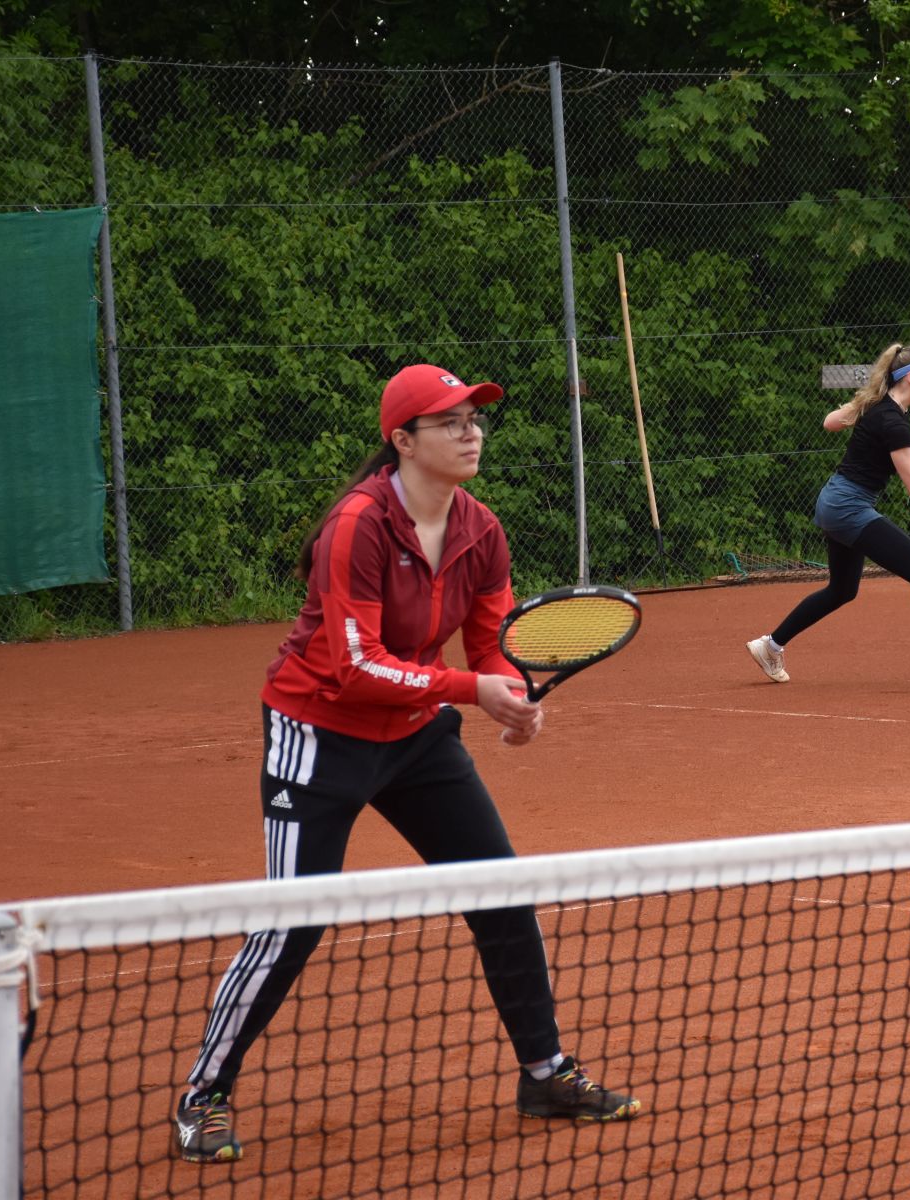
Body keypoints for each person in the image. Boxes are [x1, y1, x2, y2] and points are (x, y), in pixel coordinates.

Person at [172, 363, 641, 1165]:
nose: (471, 433)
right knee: (294, 920)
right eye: (451, 422)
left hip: (418, 736)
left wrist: (510, 698)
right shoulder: (356, 526)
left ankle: (545, 1074)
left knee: (501, 894)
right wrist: (471, 689)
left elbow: (491, 644)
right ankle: (203, 1096)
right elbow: (356, 666)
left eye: (475, 419)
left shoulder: (480, 529)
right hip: (319, 734)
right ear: (403, 440)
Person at [745, 343, 910, 693]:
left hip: (832, 501)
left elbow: (829, 422)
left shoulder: (877, 407)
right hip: (848, 508)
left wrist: (862, 403)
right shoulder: (893, 423)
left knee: (842, 589)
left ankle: (771, 646)